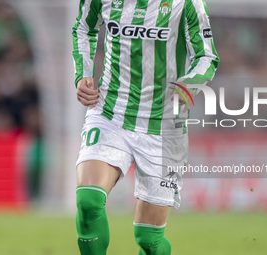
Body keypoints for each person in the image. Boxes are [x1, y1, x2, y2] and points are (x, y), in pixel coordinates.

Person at [72, 0, 219, 254]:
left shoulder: (187, 3)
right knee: (88, 199)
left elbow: (207, 56)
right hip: (110, 112)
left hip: (163, 128)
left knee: (148, 239)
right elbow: (84, 27)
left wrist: (189, 84)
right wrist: (83, 73)